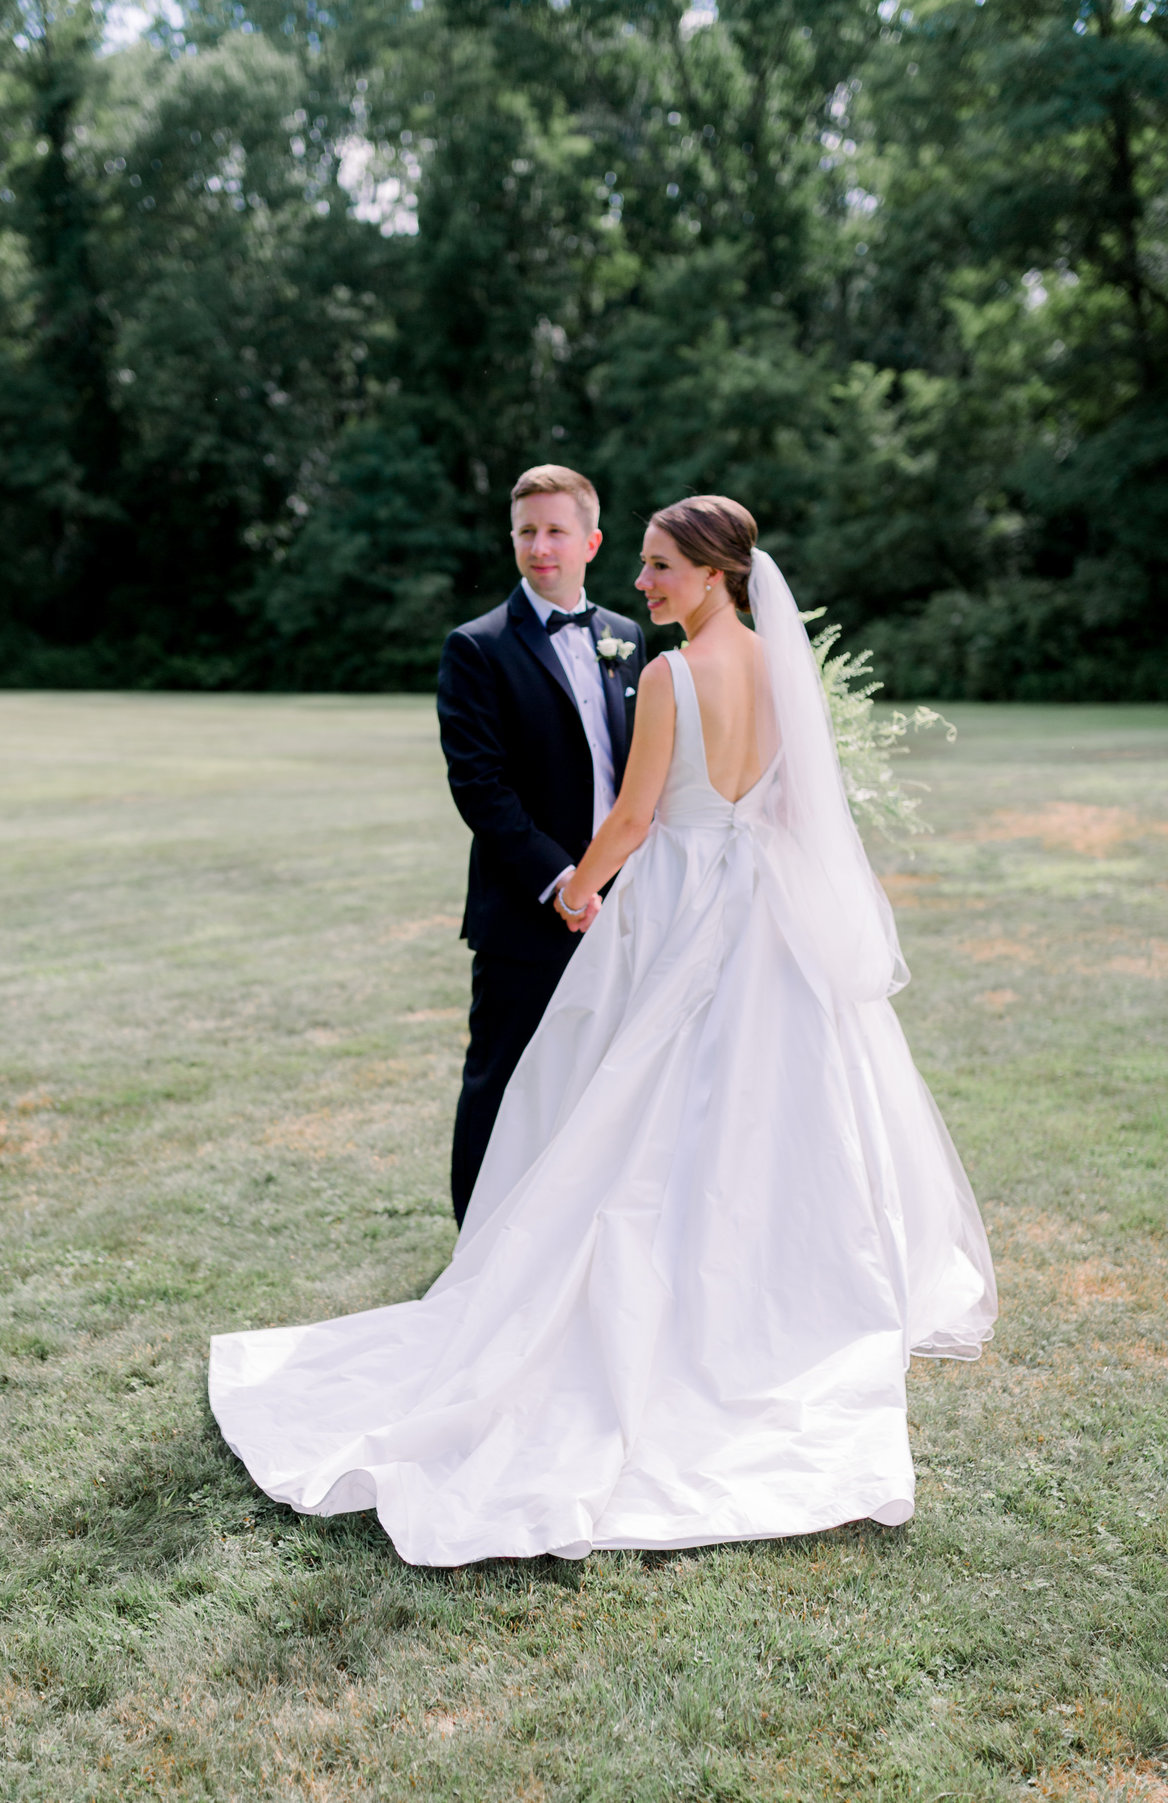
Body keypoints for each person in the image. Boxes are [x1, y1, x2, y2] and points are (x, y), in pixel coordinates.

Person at [209, 496, 997, 1566]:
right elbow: (802, 815)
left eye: (661, 566)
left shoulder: (672, 674)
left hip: (677, 904)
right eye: (641, 565)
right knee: (774, 1100)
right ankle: (783, 1286)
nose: (643, 583)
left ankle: (671, 1304)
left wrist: (580, 888)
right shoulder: (782, 670)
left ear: (715, 574)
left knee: (636, 1102)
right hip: (767, 913)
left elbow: (632, 819)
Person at [435, 465, 647, 1226]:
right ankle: (476, 1250)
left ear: (591, 540)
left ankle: (570, 1241)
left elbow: (639, 772)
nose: (539, 545)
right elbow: (480, 789)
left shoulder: (628, 637)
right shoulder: (477, 647)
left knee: (601, 1081)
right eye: (526, 531)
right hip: (529, 911)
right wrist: (562, 879)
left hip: (622, 906)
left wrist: (614, 879)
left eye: (556, 530)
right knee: (503, 1079)